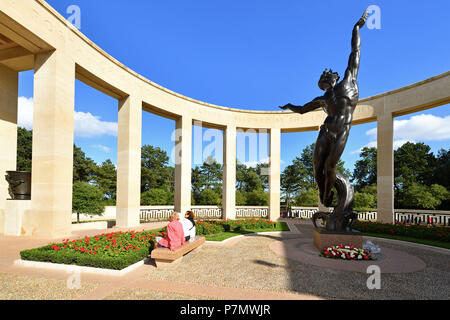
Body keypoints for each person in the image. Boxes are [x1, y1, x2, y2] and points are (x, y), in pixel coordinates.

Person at [280, 10, 368, 208]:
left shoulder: (349, 82)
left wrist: (356, 28)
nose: (325, 77)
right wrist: (289, 106)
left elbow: (355, 52)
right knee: (317, 168)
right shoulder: (321, 98)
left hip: (341, 131)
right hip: (325, 131)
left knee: (329, 167)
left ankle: (329, 193)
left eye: (327, 75)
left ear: (334, 77)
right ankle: (323, 193)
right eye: (322, 77)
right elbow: (303, 109)